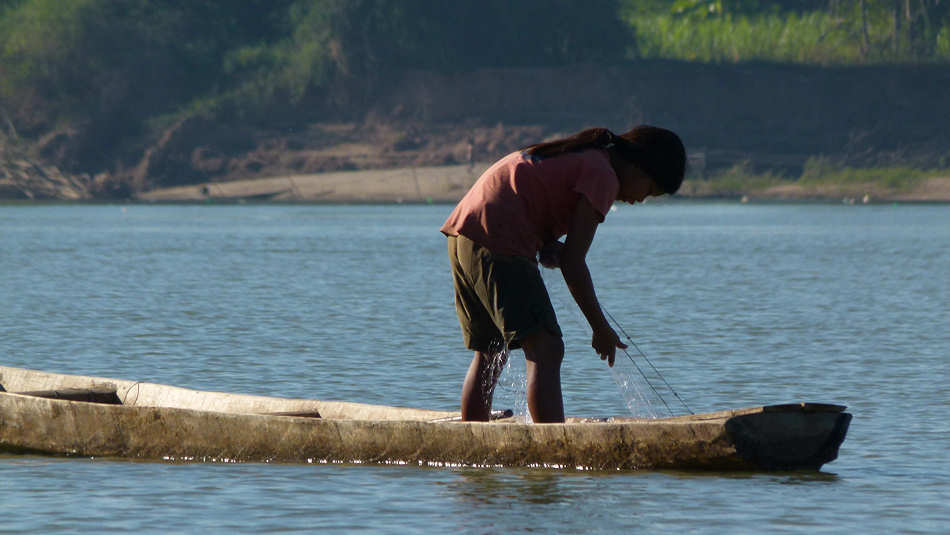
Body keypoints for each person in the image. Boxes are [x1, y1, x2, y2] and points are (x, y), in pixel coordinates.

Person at [441, 125, 686, 423]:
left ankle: (472, 437)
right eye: (648, 189)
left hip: (464, 235)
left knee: (490, 350)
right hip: (498, 238)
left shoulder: (587, 157)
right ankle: (551, 447)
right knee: (546, 348)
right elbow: (574, 262)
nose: (639, 199)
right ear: (639, 166)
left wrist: (544, 243)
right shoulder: (603, 175)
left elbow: (529, 195)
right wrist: (600, 328)